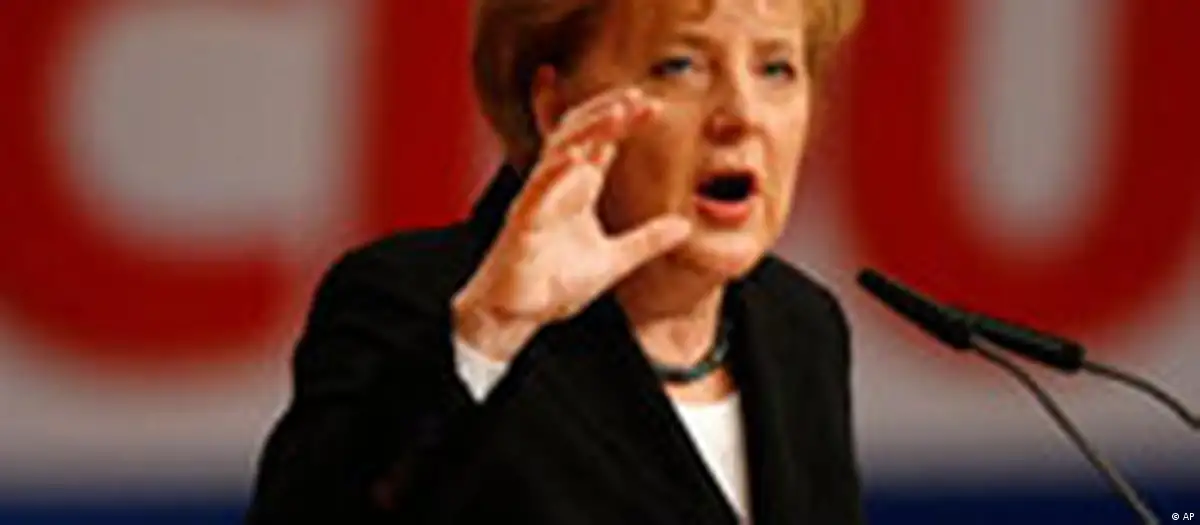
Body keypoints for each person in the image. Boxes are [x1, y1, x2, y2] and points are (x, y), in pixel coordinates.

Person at [247, 0, 864, 522]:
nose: (743, 116)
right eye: (680, 66)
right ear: (555, 108)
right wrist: (492, 330)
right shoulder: (420, 305)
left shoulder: (799, 329)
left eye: (776, 69)